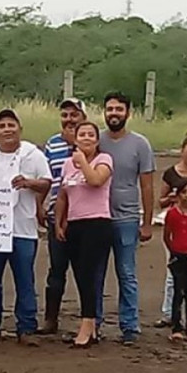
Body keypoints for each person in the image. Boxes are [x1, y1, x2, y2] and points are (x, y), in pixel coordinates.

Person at [0, 109, 51, 347]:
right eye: (2, 126)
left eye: (11, 125)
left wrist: (28, 182)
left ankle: (26, 327)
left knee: (25, 279)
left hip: (23, 227)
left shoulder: (32, 154)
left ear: (19, 128)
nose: (7, 130)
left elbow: (47, 182)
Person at [98, 92, 155, 346]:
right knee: (95, 273)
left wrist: (147, 222)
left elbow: (147, 186)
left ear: (128, 113)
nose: (114, 113)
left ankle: (130, 325)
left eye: (118, 109)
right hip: (97, 217)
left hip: (127, 218)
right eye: (110, 109)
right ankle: (93, 323)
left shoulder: (140, 144)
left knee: (127, 273)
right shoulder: (95, 140)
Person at [54, 122, 113, 349]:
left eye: (91, 135)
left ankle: (87, 324)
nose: (86, 138)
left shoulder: (104, 160)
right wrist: (59, 222)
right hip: (75, 224)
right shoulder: (68, 164)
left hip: (97, 223)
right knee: (79, 275)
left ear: (97, 141)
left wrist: (83, 162)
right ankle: (91, 325)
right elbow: (63, 195)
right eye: (82, 134)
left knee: (89, 274)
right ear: (75, 139)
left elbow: (96, 180)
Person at [39, 98, 87, 335]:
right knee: (56, 269)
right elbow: (47, 178)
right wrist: (41, 205)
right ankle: (51, 319)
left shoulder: (92, 144)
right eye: (65, 114)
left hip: (84, 216)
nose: (69, 119)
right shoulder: (51, 144)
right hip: (55, 214)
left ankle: (89, 321)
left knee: (85, 270)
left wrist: (76, 145)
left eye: (74, 114)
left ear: (83, 117)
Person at [156, 133, 187, 328]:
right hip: (175, 224)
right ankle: (169, 313)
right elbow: (161, 200)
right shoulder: (171, 174)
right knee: (173, 272)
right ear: (182, 150)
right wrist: (173, 199)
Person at [163, 178, 187, 341]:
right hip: (179, 255)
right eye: (184, 192)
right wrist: (174, 251)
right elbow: (167, 235)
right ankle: (176, 326)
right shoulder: (172, 214)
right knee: (178, 291)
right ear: (178, 195)